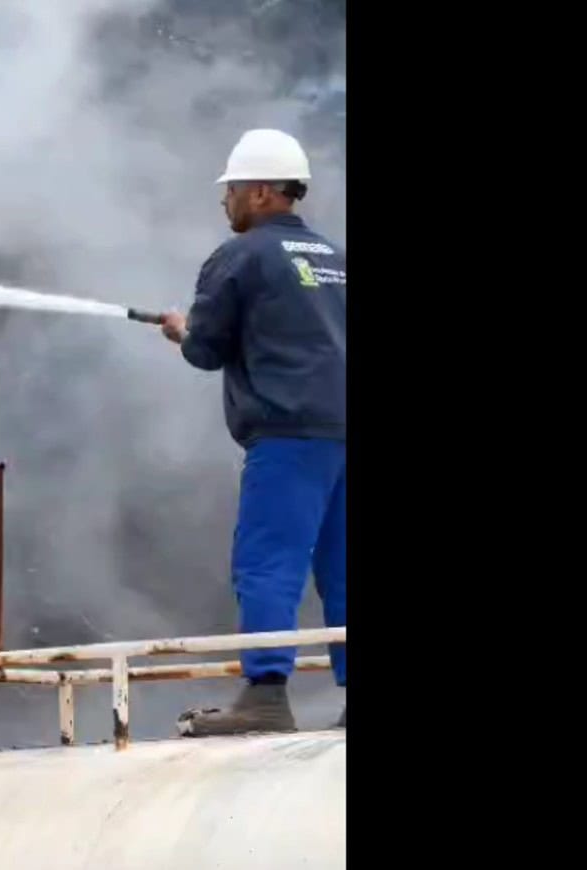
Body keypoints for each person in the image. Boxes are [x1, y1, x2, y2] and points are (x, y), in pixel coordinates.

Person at [159, 129, 346, 736]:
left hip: (290, 436)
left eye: (233, 188)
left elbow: (207, 349)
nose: (225, 200)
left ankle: (265, 696)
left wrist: (184, 332)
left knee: (268, 562)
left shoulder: (241, 256)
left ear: (262, 191)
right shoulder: (335, 258)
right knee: (343, 567)